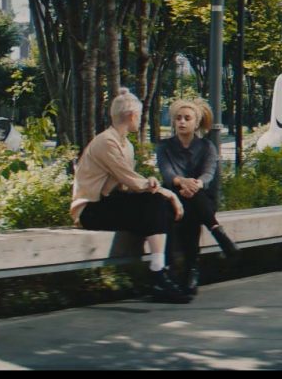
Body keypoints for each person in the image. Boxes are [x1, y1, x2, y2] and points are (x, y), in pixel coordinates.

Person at [71, 87, 190, 304]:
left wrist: (154, 188)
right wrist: (169, 194)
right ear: (132, 116)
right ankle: (159, 275)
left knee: (160, 204)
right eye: (140, 115)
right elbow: (130, 179)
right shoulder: (106, 141)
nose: (141, 120)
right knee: (159, 200)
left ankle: (165, 272)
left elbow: (128, 185)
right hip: (89, 210)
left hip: (108, 203)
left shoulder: (126, 145)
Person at [155, 98, 239, 297]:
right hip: (173, 197)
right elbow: (167, 174)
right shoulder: (164, 146)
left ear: (196, 123)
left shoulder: (207, 147)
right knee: (184, 209)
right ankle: (216, 235)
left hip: (200, 197)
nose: (182, 122)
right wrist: (183, 183)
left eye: (187, 118)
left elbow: (208, 174)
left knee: (194, 203)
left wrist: (195, 185)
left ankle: (183, 273)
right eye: (178, 118)